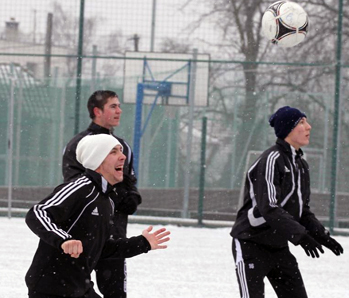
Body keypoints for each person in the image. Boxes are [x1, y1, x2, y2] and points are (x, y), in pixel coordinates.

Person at [26, 134, 170, 298]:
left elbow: (103, 248)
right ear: (97, 159)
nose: (123, 157)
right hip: (51, 289)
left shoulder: (108, 200)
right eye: (114, 152)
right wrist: (64, 240)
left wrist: (142, 243)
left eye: (121, 151)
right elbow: (38, 212)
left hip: (79, 288)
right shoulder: (81, 187)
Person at [230, 106, 344, 298]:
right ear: (287, 129)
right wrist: (301, 236)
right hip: (250, 243)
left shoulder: (301, 165)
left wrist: (320, 235)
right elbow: (269, 208)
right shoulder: (271, 159)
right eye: (302, 122)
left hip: (279, 246)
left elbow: (302, 211)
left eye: (306, 121)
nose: (308, 126)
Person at [62, 90, 139, 298]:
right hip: (82, 237)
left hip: (114, 235)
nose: (119, 111)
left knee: (115, 292)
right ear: (97, 111)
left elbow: (129, 188)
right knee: (73, 290)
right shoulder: (79, 144)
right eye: (113, 106)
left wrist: (129, 197)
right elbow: (76, 189)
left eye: (119, 106)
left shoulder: (123, 146)